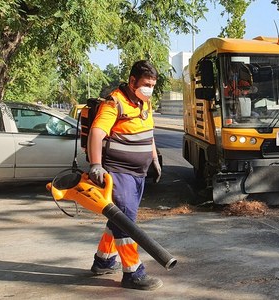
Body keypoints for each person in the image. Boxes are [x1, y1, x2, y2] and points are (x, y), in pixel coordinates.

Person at [87, 60, 163, 290]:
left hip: (138, 173)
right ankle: (133, 273)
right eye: (146, 84)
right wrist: (96, 165)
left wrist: (155, 159)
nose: (149, 88)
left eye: (152, 84)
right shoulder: (114, 103)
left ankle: (103, 260)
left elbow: (148, 133)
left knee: (120, 218)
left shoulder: (145, 102)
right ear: (132, 81)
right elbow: (97, 133)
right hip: (119, 172)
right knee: (127, 221)